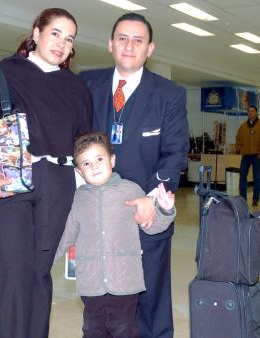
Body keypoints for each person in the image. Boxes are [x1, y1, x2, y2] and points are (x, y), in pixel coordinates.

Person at [0, 8, 92, 338]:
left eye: (70, 38)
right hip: (9, 184)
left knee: (39, 273)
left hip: (58, 186)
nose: (62, 43)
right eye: (56, 33)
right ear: (36, 32)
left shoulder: (76, 88)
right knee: (15, 270)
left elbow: (84, 146)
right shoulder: (4, 74)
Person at [80, 13, 189, 338]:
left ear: (150, 49)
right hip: (97, 215)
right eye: (123, 38)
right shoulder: (87, 84)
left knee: (149, 298)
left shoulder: (169, 94)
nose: (130, 46)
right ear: (110, 44)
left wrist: (153, 199)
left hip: (145, 213)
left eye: (138, 40)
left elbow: (175, 153)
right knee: (101, 301)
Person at [55, 132, 176, 338]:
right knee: (92, 330)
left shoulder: (131, 190)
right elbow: (68, 233)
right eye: (86, 163)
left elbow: (152, 226)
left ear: (112, 160)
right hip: (91, 282)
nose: (93, 166)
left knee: (124, 329)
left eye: (99, 159)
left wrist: (165, 210)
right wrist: (43, 263)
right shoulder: (80, 198)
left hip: (124, 281)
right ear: (78, 171)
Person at [236, 105, 260, 206]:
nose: (250, 113)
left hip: (257, 156)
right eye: (249, 111)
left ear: (256, 112)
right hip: (245, 155)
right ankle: (242, 199)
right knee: (242, 176)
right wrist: (239, 149)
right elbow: (238, 139)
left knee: (257, 178)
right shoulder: (242, 126)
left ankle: (255, 199)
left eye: (252, 111)